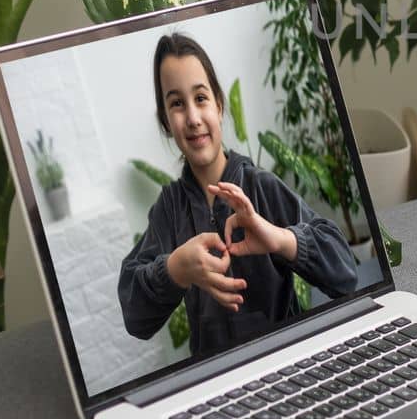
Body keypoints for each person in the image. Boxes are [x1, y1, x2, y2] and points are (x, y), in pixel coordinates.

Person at [119, 32, 358, 359]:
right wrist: (175, 269)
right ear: (165, 121)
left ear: (219, 104)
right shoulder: (169, 209)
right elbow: (135, 318)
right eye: (176, 104)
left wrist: (279, 239)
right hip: (214, 380)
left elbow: (346, 272)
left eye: (200, 98)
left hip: (289, 364)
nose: (192, 118)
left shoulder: (261, 185)